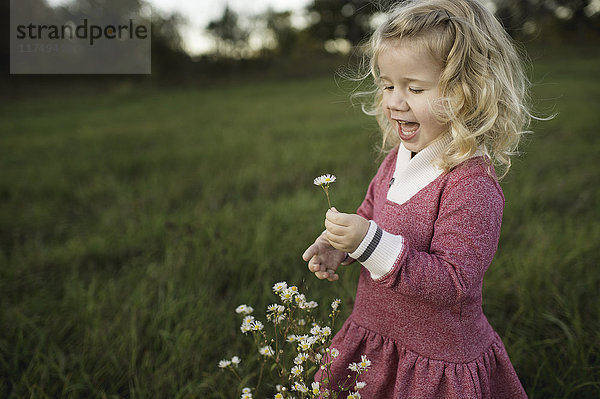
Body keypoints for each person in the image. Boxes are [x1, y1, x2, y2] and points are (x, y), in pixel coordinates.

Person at [302, 0, 532, 397]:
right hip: (376, 333)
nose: (394, 101)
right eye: (389, 85)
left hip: (434, 360)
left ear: (469, 92)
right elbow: (373, 214)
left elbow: (455, 283)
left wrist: (369, 243)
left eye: (415, 88)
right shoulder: (397, 158)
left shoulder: (471, 185)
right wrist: (343, 246)